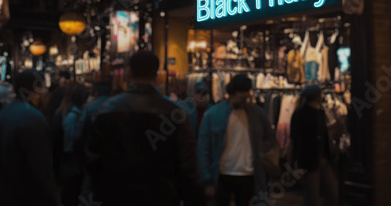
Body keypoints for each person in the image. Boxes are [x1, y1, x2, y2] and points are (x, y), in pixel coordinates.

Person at [86, 51, 203, 206]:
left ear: (129, 72)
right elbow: (187, 163)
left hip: (115, 195)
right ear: (156, 74)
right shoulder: (174, 112)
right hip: (161, 195)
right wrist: (192, 197)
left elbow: (92, 157)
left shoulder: (106, 109)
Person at [198, 74, 277, 206]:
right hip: (222, 174)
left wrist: (261, 151)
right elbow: (203, 148)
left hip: (249, 174)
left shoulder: (257, 114)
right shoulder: (213, 114)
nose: (244, 101)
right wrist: (207, 180)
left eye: (246, 98)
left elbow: (270, 138)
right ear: (232, 93)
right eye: (241, 98)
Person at [0, 70, 58, 206]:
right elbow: (41, 170)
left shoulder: (3, 113)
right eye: (43, 87)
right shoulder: (33, 118)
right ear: (36, 89)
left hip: (5, 196)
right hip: (27, 197)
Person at [289, 85, 339, 206]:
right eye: (320, 95)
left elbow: (322, 135)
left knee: (332, 193)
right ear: (316, 96)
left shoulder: (320, 112)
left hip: (323, 158)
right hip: (309, 161)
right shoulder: (300, 114)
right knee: (312, 197)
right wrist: (295, 164)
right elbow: (295, 140)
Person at [54, 83, 89, 206]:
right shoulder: (76, 116)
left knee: (69, 195)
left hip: (65, 163)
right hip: (73, 162)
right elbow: (71, 142)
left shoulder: (63, 114)